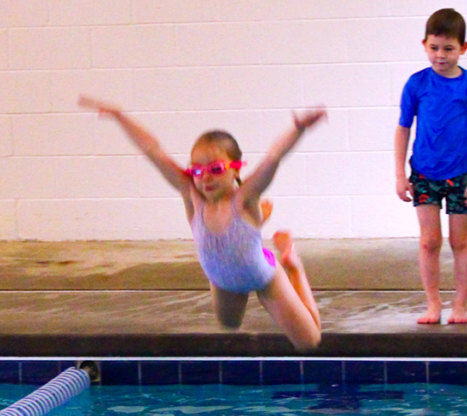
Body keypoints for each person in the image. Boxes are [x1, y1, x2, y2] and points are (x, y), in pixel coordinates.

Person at [79, 96, 325, 351]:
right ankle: (253, 232)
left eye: (216, 169)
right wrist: (121, 117)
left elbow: (274, 157)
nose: (205, 177)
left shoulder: (244, 199)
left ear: (236, 170)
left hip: (263, 276)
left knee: (309, 342)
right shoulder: (193, 198)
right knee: (229, 324)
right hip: (223, 279)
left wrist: (299, 128)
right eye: (197, 171)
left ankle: (293, 266)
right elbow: (153, 151)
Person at [394, 8, 467, 325]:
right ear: (424, 45)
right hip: (424, 173)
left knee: (460, 241)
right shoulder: (417, 84)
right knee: (429, 241)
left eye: (448, 48)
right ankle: (433, 304)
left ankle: (460, 305)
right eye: (434, 47)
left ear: (463, 48)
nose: (440, 55)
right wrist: (400, 175)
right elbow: (403, 128)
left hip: (461, 174)